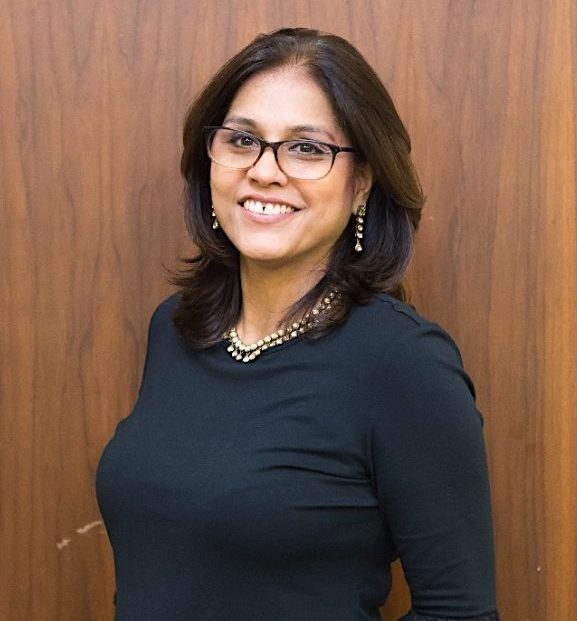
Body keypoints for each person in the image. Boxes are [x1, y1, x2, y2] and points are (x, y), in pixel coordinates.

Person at [96, 28, 500, 621]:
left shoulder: (403, 362)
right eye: (242, 140)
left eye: (307, 148)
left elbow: (458, 613)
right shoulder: (176, 328)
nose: (264, 171)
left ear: (362, 182)